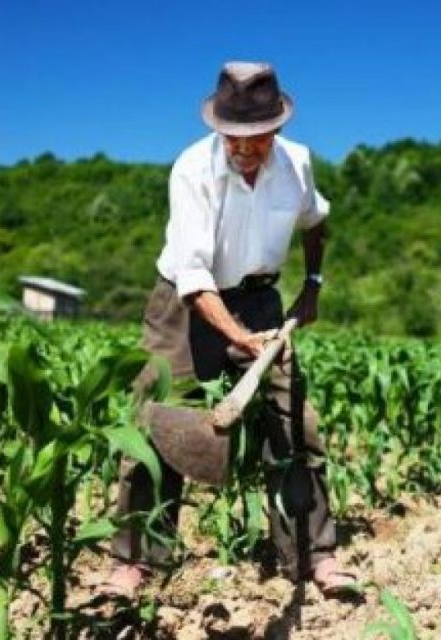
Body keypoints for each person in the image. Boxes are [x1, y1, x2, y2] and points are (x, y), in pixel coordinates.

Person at [105, 61, 355, 597]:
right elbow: (195, 277)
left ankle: (314, 555)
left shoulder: (298, 165)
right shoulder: (192, 169)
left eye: (254, 138)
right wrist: (236, 337)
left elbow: (316, 221)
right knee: (154, 418)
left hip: (261, 300)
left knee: (294, 422)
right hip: (183, 303)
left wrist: (311, 283)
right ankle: (135, 559)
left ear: (276, 128)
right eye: (231, 137)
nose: (241, 149)